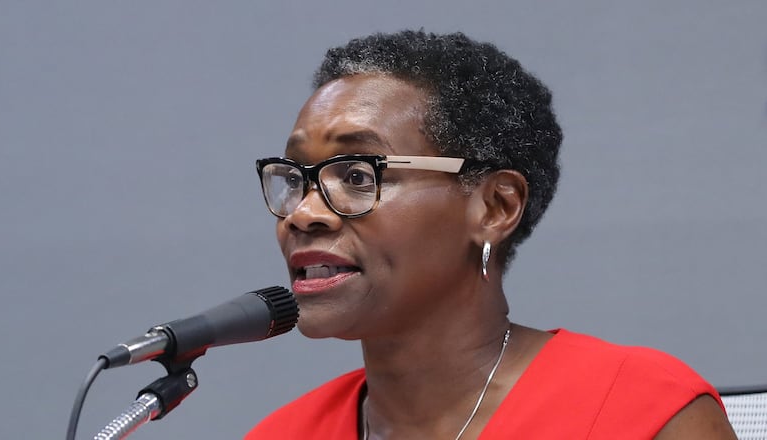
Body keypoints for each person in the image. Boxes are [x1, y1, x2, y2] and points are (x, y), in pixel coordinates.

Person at [246, 30, 736, 439]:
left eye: (356, 176)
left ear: (496, 207)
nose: (304, 213)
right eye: (295, 179)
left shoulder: (642, 412)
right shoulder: (281, 433)